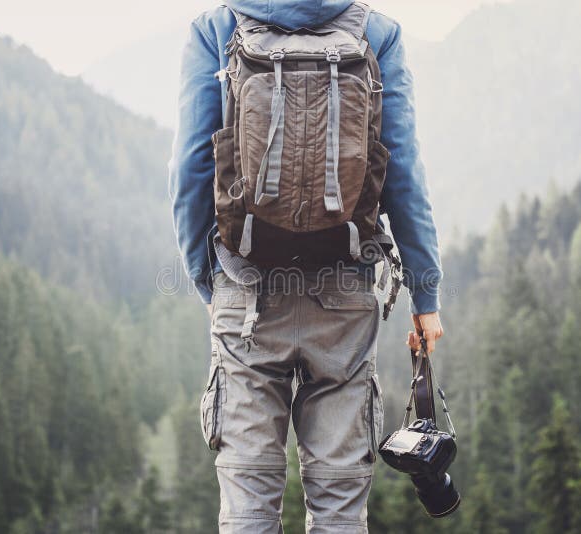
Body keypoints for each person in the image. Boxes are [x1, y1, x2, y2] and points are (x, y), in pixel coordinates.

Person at [169, 1, 443, 532]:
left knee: (248, 505)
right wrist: (425, 295)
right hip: (344, 293)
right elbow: (404, 171)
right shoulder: (377, 33)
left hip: (245, 290)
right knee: (340, 508)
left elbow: (191, 167)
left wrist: (210, 279)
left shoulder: (217, 29)